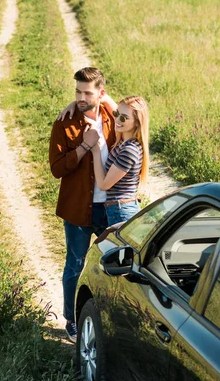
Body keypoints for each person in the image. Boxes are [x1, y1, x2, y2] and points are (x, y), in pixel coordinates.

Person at [49, 67, 116, 342]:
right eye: (77, 92)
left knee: (113, 266)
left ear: (100, 93)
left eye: (87, 93)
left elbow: (132, 110)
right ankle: (71, 319)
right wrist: (83, 147)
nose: (80, 97)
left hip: (110, 207)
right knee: (75, 265)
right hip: (77, 208)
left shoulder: (113, 115)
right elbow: (56, 168)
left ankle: (108, 319)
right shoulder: (64, 123)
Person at [60, 95, 150, 226]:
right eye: (116, 113)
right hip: (118, 209)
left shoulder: (129, 150)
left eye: (124, 117)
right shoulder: (122, 142)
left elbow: (103, 185)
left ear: (137, 122)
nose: (118, 119)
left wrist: (95, 150)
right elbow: (104, 97)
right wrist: (75, 104)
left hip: (121, 212)